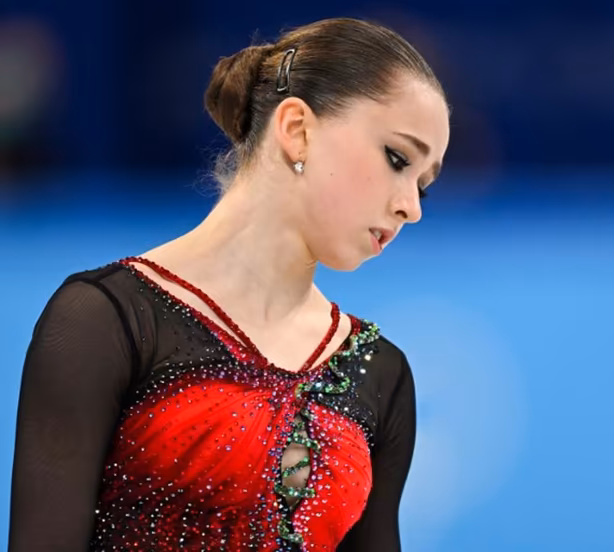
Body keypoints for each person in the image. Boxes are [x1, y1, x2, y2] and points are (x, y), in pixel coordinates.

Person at [9, 17, 449, 551]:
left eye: (424, 184)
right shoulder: (106, 321)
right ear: (297, 130)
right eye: (397, 159)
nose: (411, 207)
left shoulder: (379, 372)